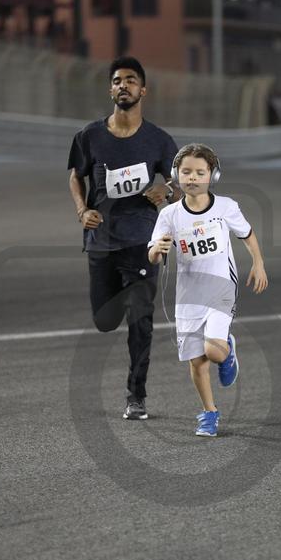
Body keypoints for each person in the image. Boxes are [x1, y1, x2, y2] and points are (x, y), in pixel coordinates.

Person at [68, 56, 178, 420]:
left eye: (130, 80)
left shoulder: (158, 140)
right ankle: (126, 299)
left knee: (140, 320)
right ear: (110, 90)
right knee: (104, 320)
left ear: (142, 90)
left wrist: (168, 190)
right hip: (101, 241)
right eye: (117, 81)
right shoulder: (89, 136)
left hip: (142, 242)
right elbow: (75, 175)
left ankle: (136, 395)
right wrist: (82, 210)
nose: (123, 85)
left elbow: (181, 181)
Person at [148, 144, 268, 437]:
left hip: (220, 287)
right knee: (196, 360)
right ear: (176, 174)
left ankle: (226, 350)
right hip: (188, 295)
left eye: (200, 173)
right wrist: (157, 250)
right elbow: (152, 255)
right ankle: (209, 413)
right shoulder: (169, 215)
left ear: (212, 176)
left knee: (212, 352)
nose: (192, 177)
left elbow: (247, 234)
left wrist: (258, 263)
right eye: (186, 172)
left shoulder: (226, 207)